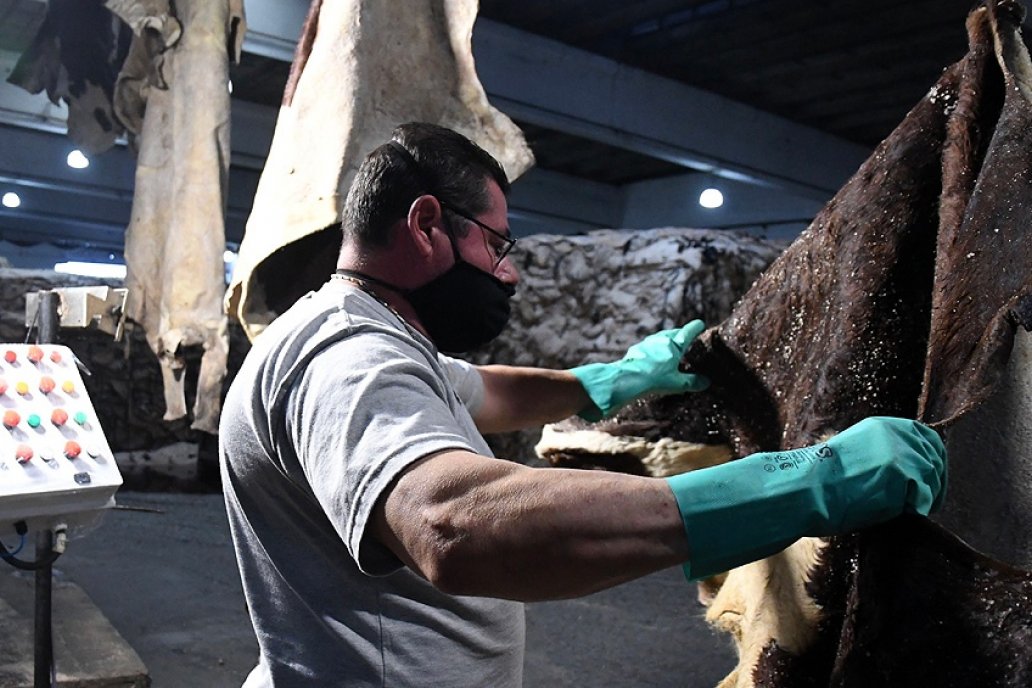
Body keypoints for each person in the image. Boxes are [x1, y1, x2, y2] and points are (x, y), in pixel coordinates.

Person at [219, 122, 946, 687]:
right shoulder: (346, 358)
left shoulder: (371, 336)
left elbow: (487, 390)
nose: (506, 275)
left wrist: (616, 378)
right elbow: (452, 526)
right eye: (498, 245)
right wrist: (797, 485)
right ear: (426, 224)